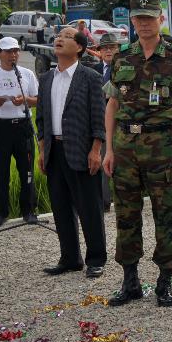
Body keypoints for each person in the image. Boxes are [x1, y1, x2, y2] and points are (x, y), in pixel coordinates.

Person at [102, 0, 172, 308]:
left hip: (162, 145)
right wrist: (109, 149)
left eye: (149, 17)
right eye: (138, 18)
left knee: (164, 212)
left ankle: (164, 282)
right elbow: (112, 103)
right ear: (132, 21)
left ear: (161, 19)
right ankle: (130, 282)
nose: (144, 23)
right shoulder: (121, 58)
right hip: (125, 146)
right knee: (126, 214)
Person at [36, 26, 107, 279]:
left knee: (89, 208)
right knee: (61, 208)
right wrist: (42, 150)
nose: (58, 40)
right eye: (58, 37)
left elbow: (98, 117)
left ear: (78, 47)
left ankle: (96, 258)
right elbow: (41, 118)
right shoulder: (46, 78)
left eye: (66, 37)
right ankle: (69, 258)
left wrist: (96, 149)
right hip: (55, 151)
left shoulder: (90, 77)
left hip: (82, 150)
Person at [0, 37, 39, 227]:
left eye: (16, 51)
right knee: (0, 171)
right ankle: (0, 213)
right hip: (0, 128)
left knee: (27, 171)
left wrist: (25, 99)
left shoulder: (26, 74)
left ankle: (29, 210)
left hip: (23, 125)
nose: (13, 55)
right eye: (8, 51)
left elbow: (37, 99)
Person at [92, 34, 120, 213]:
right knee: (103, 162)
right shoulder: (92, 70)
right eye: (105, 48)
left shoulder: (126, 68)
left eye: (112, 47)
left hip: (122, 123)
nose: (108, 50)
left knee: (124, 164)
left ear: (118, 49)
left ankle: (126, 200)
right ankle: (104, 202)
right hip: (100, 124)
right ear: (99, 51)